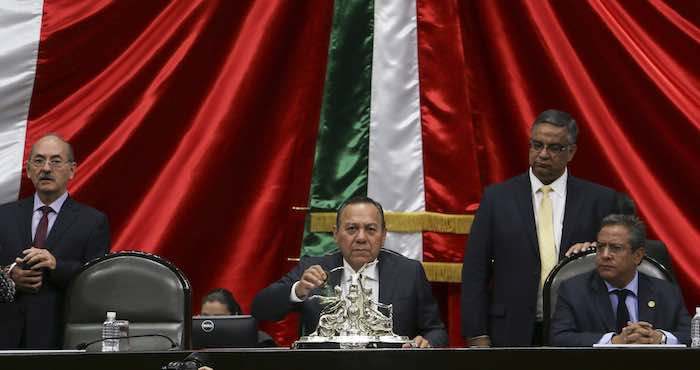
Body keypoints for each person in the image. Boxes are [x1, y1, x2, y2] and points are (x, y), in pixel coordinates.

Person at [461, 109, 617, 347]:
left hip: (579, 330)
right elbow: (475, 271)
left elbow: (620, 262)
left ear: (571, 152)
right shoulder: (497, 199)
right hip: (510, 330)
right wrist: (477, 335)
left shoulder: (600, 200)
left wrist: (596, 252)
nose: (543, 154)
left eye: (554, 148)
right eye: (537, 145)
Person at [252, 196, 448, 347]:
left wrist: (426, 343)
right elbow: (260, 309)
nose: (361, 237)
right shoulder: (312, 268)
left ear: (383, 235)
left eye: (370, 229)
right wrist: (298, 290)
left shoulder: (409, 272)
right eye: (352, 229)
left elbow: (435, 331)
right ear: (336, 234)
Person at [0, 134, 110, 349]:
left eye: (56, 161)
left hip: (61, 339)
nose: (47, 168)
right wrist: (9, 277)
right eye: (39, 161)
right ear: (29, 170)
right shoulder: (4, 216)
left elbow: (99, 284)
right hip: (6, 338)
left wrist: (55, 265)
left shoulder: (92, 222)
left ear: (72, 170)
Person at [550, 214, 690, 346]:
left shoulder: (665, 291)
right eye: (600, 247)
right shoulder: (573, 290)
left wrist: (660, 337)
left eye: (615, 248)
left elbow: (691, 334)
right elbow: (559, 337)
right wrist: (614, 341)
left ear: (637, 255)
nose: (605, 255)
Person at [200, 287, 276, 347]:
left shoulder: (259, 341)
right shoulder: (194, 340)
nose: (211, 324)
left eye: (218, 318)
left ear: (234, 315)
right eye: (205, 317)